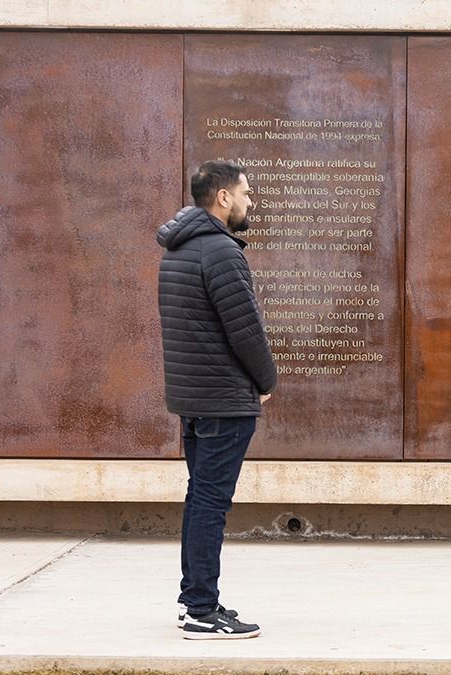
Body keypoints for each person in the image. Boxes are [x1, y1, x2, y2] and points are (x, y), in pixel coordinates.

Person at [157, 160, 276, 639]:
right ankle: (201, 609)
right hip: (224, 400)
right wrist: (266, 381)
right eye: (246, 193)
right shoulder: (220, 252)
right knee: (210, 503)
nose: (251, 202)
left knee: (200, 500)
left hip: (196, 399)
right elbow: (245, 330)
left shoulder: (179, 249)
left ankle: (195, 602)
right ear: (223, 197)